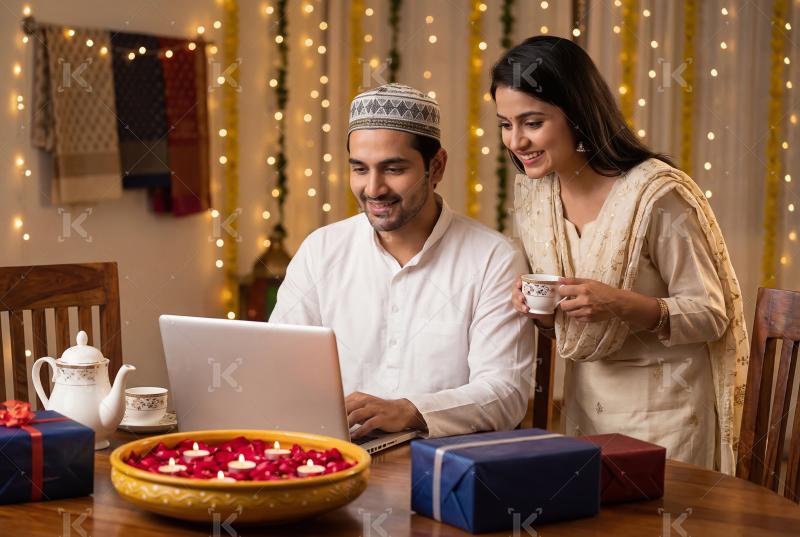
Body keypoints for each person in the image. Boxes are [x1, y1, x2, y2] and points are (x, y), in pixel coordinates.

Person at [492, 36, 748, 473]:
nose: (516, 141)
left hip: (666, 417)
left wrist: (618, 303)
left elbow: (711, 313)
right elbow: (572, 330)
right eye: (504, 124)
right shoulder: (536, 195)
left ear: (575, 113)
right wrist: (541, 313)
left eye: (531, 122)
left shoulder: (656, 195)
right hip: (583, 413)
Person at [270, 83, 533, 439]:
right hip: (332, 459)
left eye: (393, 169)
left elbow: (506, 393)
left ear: (436, 167)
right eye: (360, 169)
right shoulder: (321, 250)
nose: (374, 189)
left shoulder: (493, 258)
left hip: (443, 468)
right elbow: (279, 366)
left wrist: (410, 411)